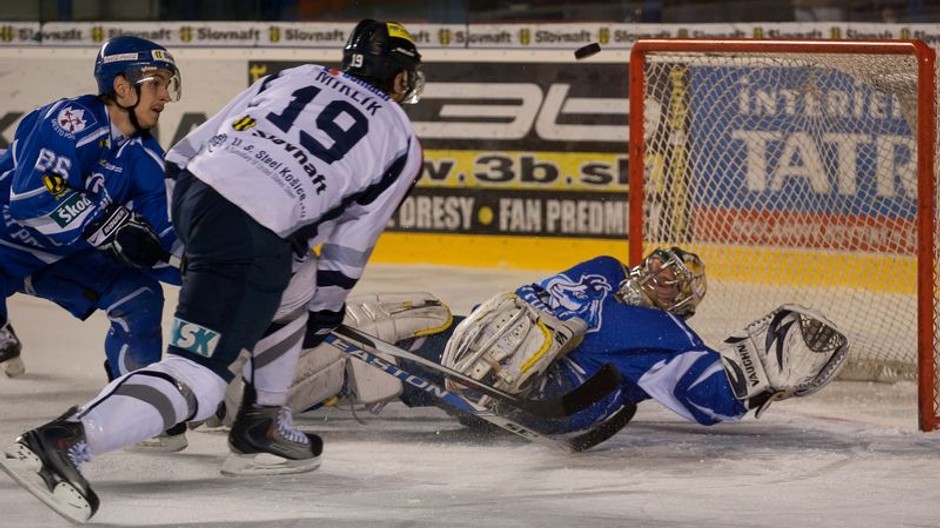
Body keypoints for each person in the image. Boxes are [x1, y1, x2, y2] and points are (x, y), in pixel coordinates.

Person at [0, 19, 425, 524]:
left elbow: (183, 160)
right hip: (243, 230)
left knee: (293, 280)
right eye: (156, 83)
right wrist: (326, 312)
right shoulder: (401, 139)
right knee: (200, 383)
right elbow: (349, 251)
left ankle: (263, 423)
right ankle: (61, 442)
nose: (164, 95)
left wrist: (202, 254)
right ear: (400, 79)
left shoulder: (294, 76)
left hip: (198, 202)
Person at [279, 247, 850, 439]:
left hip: (543, 401)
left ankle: (262, 397)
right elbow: (525, 305)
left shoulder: (665, 335)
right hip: (497, 366)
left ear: (682, 304)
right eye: (658, 263)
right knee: (421, 314)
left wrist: (758, 380)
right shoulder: (602, 270)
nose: (657, 274)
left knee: (388, 333)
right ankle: (291, 365)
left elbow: (711, 397)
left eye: (673, 281)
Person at [0, 34, 182, 383]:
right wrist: (104, 223)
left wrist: (207, 267)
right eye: (156, 83)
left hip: (58, 256)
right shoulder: (70, 120)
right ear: (122, 87)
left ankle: (134, 399)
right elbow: (33, 196)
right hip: (5, 241)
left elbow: (162, 236)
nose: (165, 95)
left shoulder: (146, 160)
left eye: (168, 84)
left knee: (140, 298)